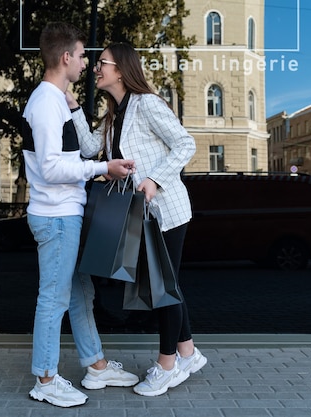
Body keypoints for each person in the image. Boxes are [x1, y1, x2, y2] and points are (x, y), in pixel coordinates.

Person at [66, 42, 208, 397]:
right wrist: (73, 108)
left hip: (167, 210)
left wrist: (154, 179)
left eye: (102, 63)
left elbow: (185, 144)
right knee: (165, 283)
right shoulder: (114, 113)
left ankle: (167, 364)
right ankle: (187, 352)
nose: (96, 68)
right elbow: (86, 148)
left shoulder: (147, 104)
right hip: (141, 215)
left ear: (121, 68)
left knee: (162, 287)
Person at [21, 23, 139, 408]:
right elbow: (53, 168)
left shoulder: (56, 101)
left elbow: (77, 152)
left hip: (64, 214)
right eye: (84, 55)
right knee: (53, 299)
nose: (88, 63)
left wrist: (76, 112)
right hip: (55, 218)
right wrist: (101, 170)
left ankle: (97, 366)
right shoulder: (43, 103)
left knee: (78, 293)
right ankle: (45, 378)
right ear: (66, 57)